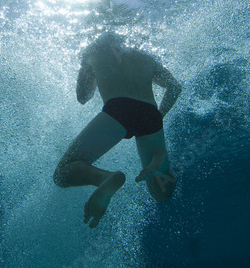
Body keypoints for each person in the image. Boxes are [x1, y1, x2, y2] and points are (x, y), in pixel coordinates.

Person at [53, 32, 182, 228]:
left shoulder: (91, 52)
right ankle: (161, 161)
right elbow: (175, 87)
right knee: (160, 193)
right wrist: (159, 117)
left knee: (61, 174)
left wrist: (87, 66)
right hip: (151, 113)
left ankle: (105, 178)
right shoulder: (145, 57)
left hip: (118, 109)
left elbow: (83, 96)